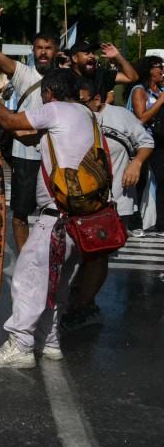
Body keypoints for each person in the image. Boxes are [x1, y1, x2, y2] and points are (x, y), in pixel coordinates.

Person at [0, 70, 99, 367]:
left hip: (57, 217)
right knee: (57, 285)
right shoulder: (86, 115)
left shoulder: (53, 110)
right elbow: (26, 135)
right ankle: (49, 342)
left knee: (28, 278)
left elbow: (14, 122)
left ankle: (21, 345)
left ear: (48, 93)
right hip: (83, 218)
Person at [60, 75, 153, 332]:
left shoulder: (120, 117)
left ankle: (85, 305)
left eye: (82, 102)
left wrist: (136, 163)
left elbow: (146, 141)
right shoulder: (72, 117)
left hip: (114, 199)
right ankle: (78, 302)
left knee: (98, 253)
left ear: (98, 99)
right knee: (79, 253)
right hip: (80, 199)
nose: (77, 107)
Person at [0, 6, 58, 251]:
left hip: (56, 157)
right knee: (21, 212)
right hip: (24, 156)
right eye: (39, 48)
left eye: (48, 48)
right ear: (33, 50)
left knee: (56, 213)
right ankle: (25, 256)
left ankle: (52, 256)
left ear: (55, 50)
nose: (44, 52)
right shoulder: (23, 73)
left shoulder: (65, 79)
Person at [127, 55, 164, 232]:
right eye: (159, 66)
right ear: (149, 70)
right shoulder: (139, 90)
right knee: (139, 182)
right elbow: (141, 118)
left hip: (160, 140)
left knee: (162, 180)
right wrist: (160, 101)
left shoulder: (160, 89)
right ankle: (135, 224)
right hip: (142, 141)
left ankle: (161, 225)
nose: (162, 70)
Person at [68, 40, 137, 102]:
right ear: (75, 58)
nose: (92, 56)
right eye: (87, 53)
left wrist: (118, 56)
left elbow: (132, 77)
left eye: (93, 52)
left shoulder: (101, 74)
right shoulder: (64, 77)